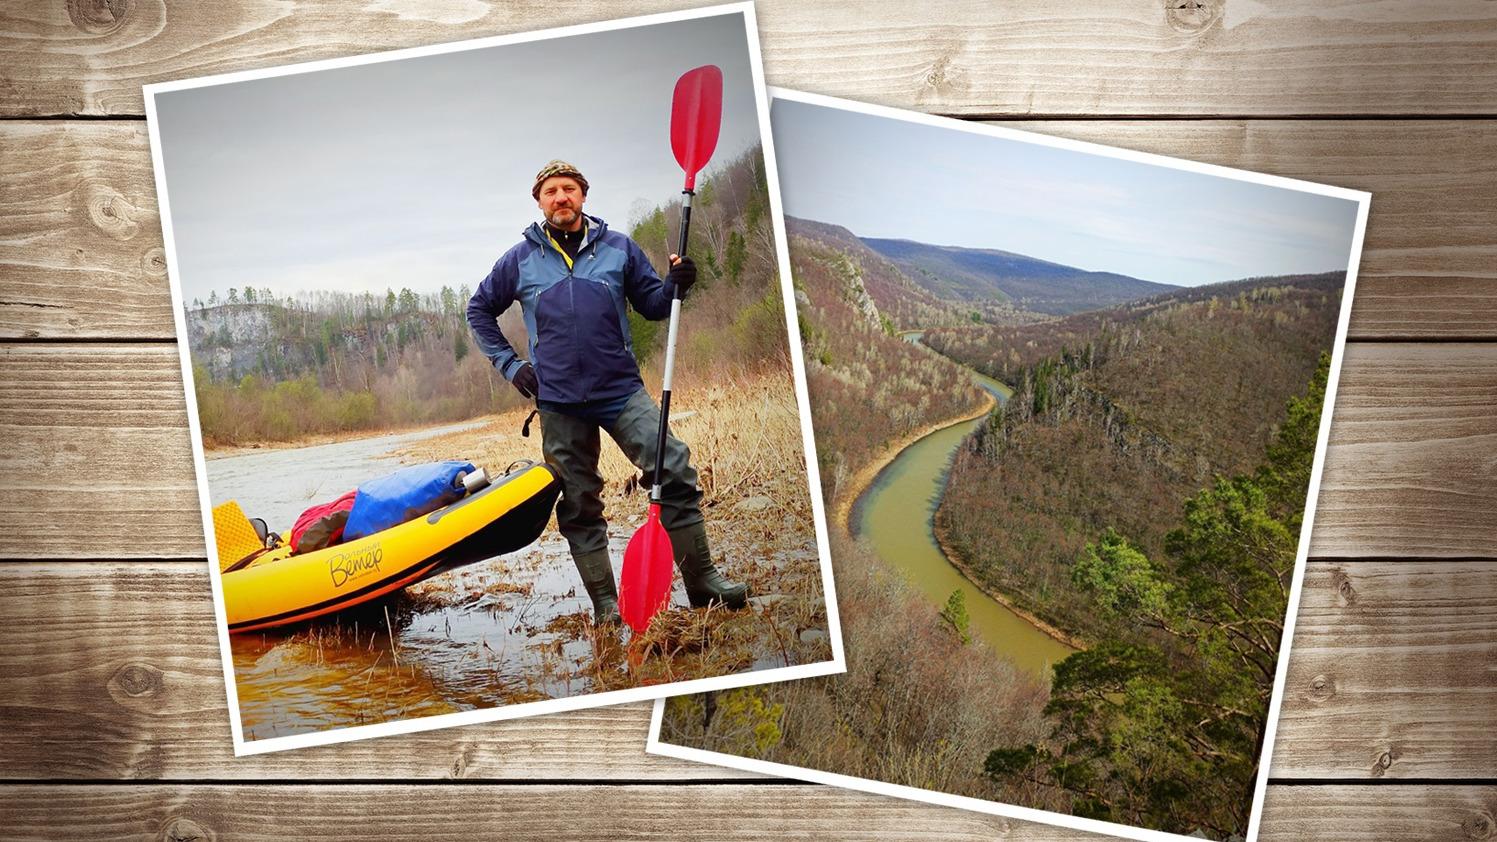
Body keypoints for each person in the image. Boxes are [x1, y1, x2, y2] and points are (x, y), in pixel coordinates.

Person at [466, 160, 748, 626]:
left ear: (583, 196)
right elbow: (479, 311)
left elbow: (655, 306)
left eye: (570, 189)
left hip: (620, 389)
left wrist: (677, 286)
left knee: (673, 467)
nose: (561, 197)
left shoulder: (619, 248)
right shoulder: (518, 260)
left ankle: (704, 584)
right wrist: (512, 366)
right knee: (578, 503)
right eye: (552, 191)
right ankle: (606, 606)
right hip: (557, 401)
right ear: (539, 201)